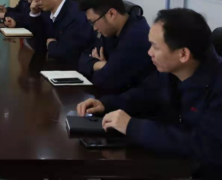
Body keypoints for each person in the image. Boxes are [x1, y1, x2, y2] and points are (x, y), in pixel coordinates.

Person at [77, 9, 222, 179]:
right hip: (170, 163)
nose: (149, 53)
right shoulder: (170, 70)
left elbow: (203, 145)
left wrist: (131, 126)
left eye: (155, 47)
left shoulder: (217, 85)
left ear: (183, 54)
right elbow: (145, 94)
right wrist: (106, 104)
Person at [77, 0, 154, 94]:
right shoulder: (110, 30)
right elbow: (82, 59)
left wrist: (105, 68)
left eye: (93, 22)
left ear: (111, 14)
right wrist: (100, 65)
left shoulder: (135, 38)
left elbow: (104, 81)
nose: (94, 28)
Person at [28, 0, 94, 63]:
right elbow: (38, 44)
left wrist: (51, 44)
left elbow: (69, 54)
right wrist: (34, 14)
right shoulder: (46, 12)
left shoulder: (76, 15)